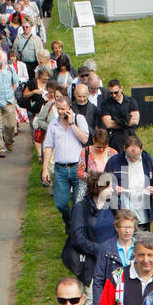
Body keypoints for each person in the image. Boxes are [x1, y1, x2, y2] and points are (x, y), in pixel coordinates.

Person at [66, 171, 118, 298]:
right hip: (93, 263)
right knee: (94, 300)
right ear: (99, 188)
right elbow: (78, 238)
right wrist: (102, 249)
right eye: (109, 186)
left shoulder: (113, 204)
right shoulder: (81, 208)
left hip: (115, 260)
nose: (113, 189)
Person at [42, 94, 90, 226]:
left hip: (77, 168)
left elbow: (85, 139)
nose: (60, 111)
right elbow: (48, 146)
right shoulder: (54, 124)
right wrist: (45, 168)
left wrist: (72, 123)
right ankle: (69, 220)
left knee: (78, 202)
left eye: (63, 109)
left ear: (69, 107)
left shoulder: (80, 119)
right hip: (60, 169)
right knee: (60, 203)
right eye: (58, 109)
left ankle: (76, 226)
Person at [103, 134, 153, 228]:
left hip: (143, 214)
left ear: (141, 149)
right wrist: (114, 188)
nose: (133, 159)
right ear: (124, 148)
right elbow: (105, 181)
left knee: (143, 241)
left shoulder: (148, 160)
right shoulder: (114, 161)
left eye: (137, 156)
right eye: (130, 156)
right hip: (121, 213)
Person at [91, 207, 139, 305]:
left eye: (130, 227)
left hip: (135, 298)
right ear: (117, 228)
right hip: (111, 299)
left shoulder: (140, 246)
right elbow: (98, 279)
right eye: (124, 227)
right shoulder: (105, 247)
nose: (128, 231)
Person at [100, 79, 140, 154]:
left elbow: (135, 120)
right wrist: (126, 121)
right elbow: (108, 124)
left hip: (130, 137)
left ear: (121, 88)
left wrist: (117, 121)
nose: (114, 95)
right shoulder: (105, 104)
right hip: (114, 140)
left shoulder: (131, 101)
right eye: (111, 93)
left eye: (116, 92)